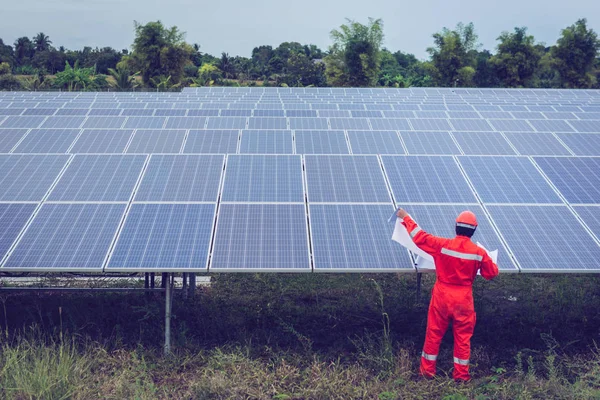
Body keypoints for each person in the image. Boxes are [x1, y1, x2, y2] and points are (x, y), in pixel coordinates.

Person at [396, 208, 499, 382]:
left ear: (456, 228)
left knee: (433, 334)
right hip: (464, 299)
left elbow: (419, 237)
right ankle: (461, 376)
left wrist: (405, 217)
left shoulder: (442, 245)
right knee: (463, 338)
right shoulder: (479, 253)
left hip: (442, 296)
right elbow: (491, 273)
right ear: (474, 230)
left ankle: (427, 373)